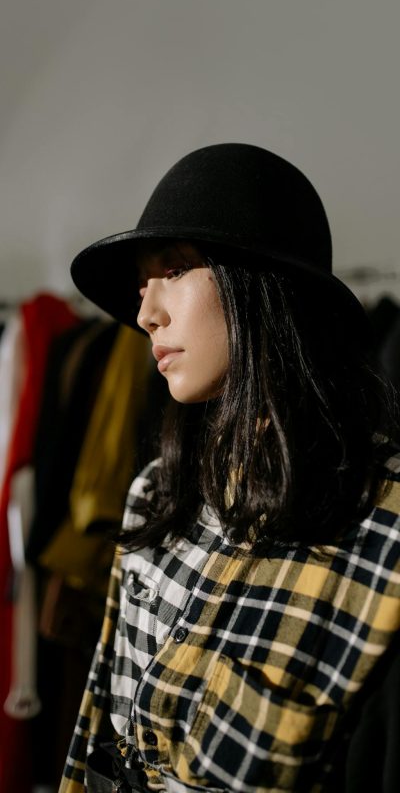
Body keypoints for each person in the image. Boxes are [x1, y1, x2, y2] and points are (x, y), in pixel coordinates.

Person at [60, 143, 400, 793]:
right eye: (142, 282)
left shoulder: (381, 534)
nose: (145, 313)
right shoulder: (156, 496)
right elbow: (96, 722)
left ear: (263, 286)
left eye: (175, 268)